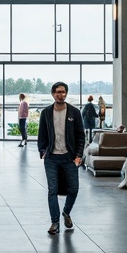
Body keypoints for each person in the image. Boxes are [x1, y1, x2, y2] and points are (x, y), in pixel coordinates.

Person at [37, 81, 85, 234]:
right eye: (58, 92)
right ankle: (55, 223)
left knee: (74, 189)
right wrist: (42, 150)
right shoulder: (46, 113)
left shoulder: (74, 112)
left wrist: (78, 155)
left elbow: (80, 136)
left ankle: (66, 212)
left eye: (63, 92)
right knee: (53, 190)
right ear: (53, 94)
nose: (61, 95)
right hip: (51, 157)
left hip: (69, 158)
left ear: (66, 94)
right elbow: (42, 134)